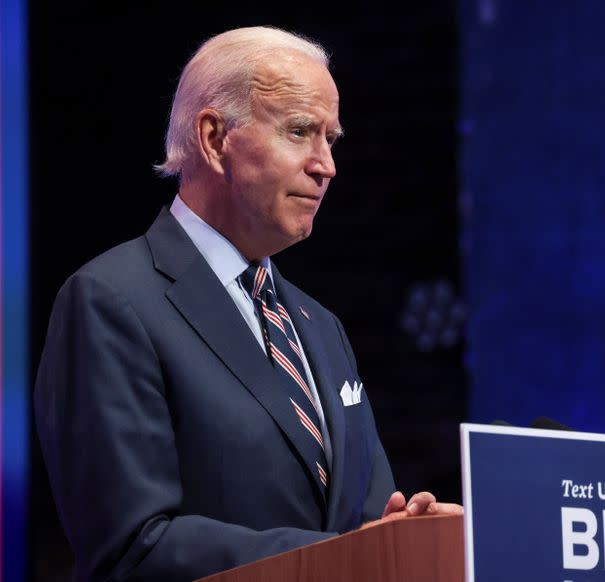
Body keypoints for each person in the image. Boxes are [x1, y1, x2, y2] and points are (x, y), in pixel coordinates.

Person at [35, 26, 460, 581]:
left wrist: (409, 537)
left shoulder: (319, 326)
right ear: (214, 139)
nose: (325, 165)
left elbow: (358, 525)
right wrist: (341, 559)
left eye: (331, 138)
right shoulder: (111, 301)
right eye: (301, 131)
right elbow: (132, 547)